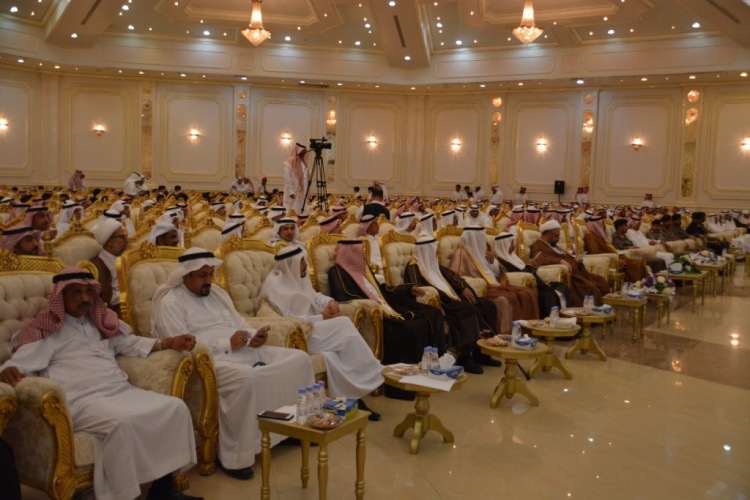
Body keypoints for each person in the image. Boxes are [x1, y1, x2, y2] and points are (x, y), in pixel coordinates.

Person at [0, 267, 200, 500]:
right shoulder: (46, 331)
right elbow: (16, 365)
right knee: (123, 422)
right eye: (76, 292)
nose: (85, 298)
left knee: (175, 408)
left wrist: (167, 342)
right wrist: (8, 371)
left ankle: (162, 490)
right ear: (60, 296)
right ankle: (123, 494)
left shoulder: (99, 322)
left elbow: (128, 344)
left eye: (88, 292)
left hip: (120, 391)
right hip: (82, 401)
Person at [151, 248, 314, 479]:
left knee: (299, 360)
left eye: (211, 274)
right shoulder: (170, 303)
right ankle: (236, 457)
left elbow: (239, 322)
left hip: (244, 350)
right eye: (202, 275)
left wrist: (253, 336)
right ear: (186, 275)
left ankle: (290, 430)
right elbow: (183, 345)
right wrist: (226, 344)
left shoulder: (217, 294)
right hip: (211, 362)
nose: (209, 280)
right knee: (247, 378)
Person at [258, 246, 384, 419]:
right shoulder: (275, 287)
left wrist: (330, 302)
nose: (305, 265)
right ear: (289, 264)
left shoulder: (297, 279)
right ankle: (376, 371)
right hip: (300, 335)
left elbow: (315, 295)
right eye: (301, 262)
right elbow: (286, 319)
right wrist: (320, 317)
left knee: (331, 356)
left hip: (317, 329)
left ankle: (351, 399)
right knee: (343, 324)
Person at [328, 240, 444, 399]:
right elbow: (344, 297)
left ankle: (429, 370)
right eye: (359, 253)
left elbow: (380, 290)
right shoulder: (337, 273)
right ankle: (402, 385)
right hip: (373, 315)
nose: (362, 256)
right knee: (411, 329)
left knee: (432, 314)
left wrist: (407, 288)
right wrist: (379, 309)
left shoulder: (363, 270)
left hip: (387, 306)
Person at [404, 236, 498, 373]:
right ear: (427, 250)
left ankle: (483, 353)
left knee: (487, 305)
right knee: (466, 309)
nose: (437, 252)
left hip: (453, 299)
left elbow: (453, 277)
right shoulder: (413, 268)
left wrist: (463, 288)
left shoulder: (435, 265)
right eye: (435, 249)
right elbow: (418, 288)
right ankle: (465, 357)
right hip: (441, 303)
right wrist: (447, 298)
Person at [449, 226, 536, 327]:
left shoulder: (482, 251)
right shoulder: (461, 252)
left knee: (526, 293)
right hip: (484, 288)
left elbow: (496, 274)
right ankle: (509, 332)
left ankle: (527, 328)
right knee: (507, 298)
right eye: (482, 237)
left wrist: (492, 259)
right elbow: (456, 275)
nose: (484, 240)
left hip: (494, 285)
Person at [530, 220, 609, 306]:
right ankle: (594, 311)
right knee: (591, 288)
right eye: (557, 236)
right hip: (572, 275)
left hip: (579, 272)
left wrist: (575, 260)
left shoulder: (553, 245)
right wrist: (560, 261)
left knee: (601, 281)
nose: (558, 239)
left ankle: (605, 307)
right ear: (549, 234)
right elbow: (540, 258)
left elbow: (564, 255)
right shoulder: (537, 245)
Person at [493, 232, 568, 316]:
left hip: (536, 282)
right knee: (548, 294)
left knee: (562, 286)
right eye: (511, 244)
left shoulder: (513, 257)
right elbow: (516, 274)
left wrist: (530, 265)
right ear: (504, 246)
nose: (513, 246)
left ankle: (565, 316)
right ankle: (551, 320)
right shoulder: (500, 262)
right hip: (527, 286)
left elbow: (522, 267)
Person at [584, 216, 647, 283]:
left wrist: (619, 255)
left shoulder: (601, 237)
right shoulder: (590, 237)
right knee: (634, 265)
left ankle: (644, 284)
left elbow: (610, 248)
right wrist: (615, 259)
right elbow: (595, 253)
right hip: (609, 260)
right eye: (601, 225)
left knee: (639, 263)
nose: (604, 227)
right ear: (595, 226)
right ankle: (636, 285)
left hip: (615, 257)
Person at [91, 218, 128, 316]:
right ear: (110, 242)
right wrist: (131, 294)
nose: (127, 241)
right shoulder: (97, 265)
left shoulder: (124, 257)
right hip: (116, 311)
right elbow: (106, 299)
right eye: (123, 237)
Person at [356, 214, 385, 283]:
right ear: (368, 227)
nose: (378, 225)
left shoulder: (379, 239)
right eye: (375, 224)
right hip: (373, 271)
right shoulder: (363, 242)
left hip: (384, 267)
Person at [283, 144, 310, 215]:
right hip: (293, 191)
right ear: (298, 151)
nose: (304, 153)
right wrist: (291, 191)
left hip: (302, 192)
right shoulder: (290, 161)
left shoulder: (303, 163)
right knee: (292, 211)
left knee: (302, 210)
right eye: (302, 151)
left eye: (304, 152)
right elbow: (287, 178)